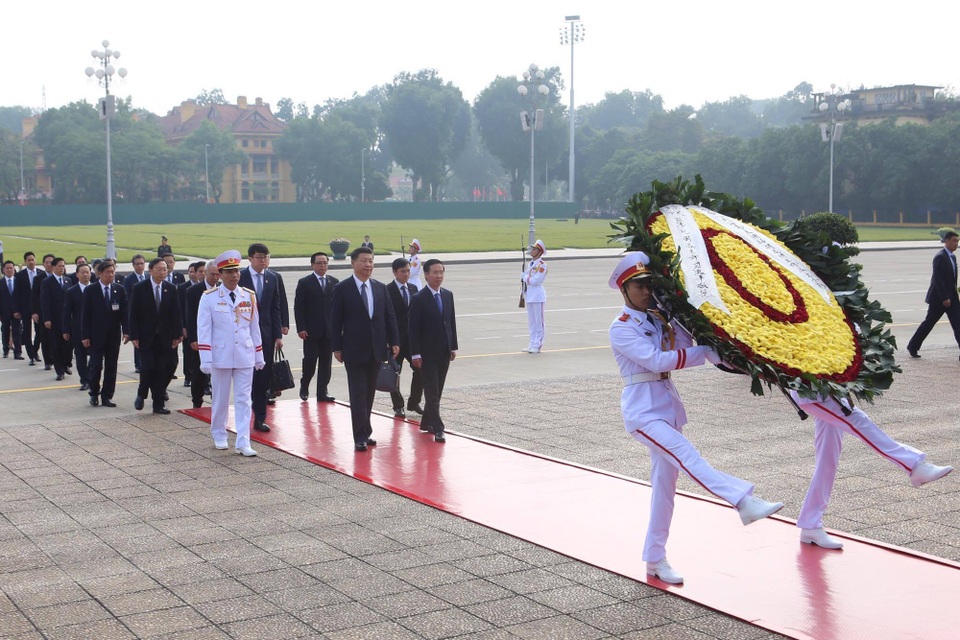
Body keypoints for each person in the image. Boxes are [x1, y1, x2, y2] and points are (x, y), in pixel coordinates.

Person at [608, 252, 784, 585]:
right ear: (624, 289)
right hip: (643, 413)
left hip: (666, 407)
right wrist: (704, 353)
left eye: (650, 284)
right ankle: (743, 501)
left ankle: (655, 559)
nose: (646, 291)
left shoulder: (660, 318)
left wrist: (680, 317)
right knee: (688, 456)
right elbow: (657, 361)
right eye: (639, 286)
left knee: (664, 489)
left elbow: (686, 344)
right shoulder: (621, 328)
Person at [790, 392, 953, 549]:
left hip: (825, 388)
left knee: (827, 459)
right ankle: (913, 465)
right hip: (812, 392)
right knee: (857, 421)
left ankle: (810, 523)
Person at [329, 247, 400, 452]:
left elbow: (389, 316)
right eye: (363, 261)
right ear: (353, 263)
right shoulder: (342, 288)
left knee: (369, 394)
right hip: (353, 350)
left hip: (377, 349)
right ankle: (359, 435)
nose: (368, 265)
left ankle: (366, 431)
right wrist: (336, 347)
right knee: (358, 393)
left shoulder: (380, 287)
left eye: (370, 261)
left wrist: (394, 340)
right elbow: (335, 321)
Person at [197, 250, 264, 457]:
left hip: (244, 353)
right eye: (229, 272)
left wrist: (259, 354)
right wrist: (206, 358)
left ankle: (243, 441)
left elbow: (254, 328)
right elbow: (204, 329)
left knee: (244, 399)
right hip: (221, 355)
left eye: (236, 271)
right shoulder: (209, 298)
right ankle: (219, 433)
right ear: (221, 274)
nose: (234, 275)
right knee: (220, 398)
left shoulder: (248, 295)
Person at [409, 259, 458, 443]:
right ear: (426, 275)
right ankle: (438, 428)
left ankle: (426, 423)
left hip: (443, 352)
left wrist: (453, 346)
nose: (439, 276)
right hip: (426, 354)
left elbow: (451, 322)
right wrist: (415, 353)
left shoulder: (447, 295)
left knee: (438, 390)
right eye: (435, 273)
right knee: (431, 392)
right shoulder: (419, 299)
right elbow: (413, 329)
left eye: (441, 272)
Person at [128, 257, 182, 414]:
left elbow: (175, 313)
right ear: (150, 270)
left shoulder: (170, 288)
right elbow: (133, 314)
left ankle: (158, 404)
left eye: (165, 269)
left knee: (163, 369)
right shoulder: (139, 288)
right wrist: (134, 335)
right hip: (146, 336)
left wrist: (177, 334)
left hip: (165, 337)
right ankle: (142, 393)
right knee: (148, 367)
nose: (163, 272)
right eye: (159, 269)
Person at [239, 243, 283, 431]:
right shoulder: (240, 277)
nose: (263, 260)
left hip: (265, 336)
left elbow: (275, 307)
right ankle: (243, 414)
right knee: (244, 377)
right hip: (243, 335)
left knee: (262, 377)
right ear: (250, 259)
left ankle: (260, 417)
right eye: (259, 257)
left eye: (266, 257)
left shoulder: (272, 278)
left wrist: (277, 335)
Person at [906, 230, 960, 359]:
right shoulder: (940, 257)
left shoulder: (952, 257)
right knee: (929, 323)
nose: (956, 244)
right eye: (954, 241)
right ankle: (913, 346)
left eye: (957, 241)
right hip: (939, 299)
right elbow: (938, 279)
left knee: (958, 324)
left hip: (952, 298)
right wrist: (944, 297)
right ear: (946, 241)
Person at [82, 259, 127, 408]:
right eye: (108, 272)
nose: (111, 275)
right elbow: (85, 315)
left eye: (113, 272)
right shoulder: (91, 290)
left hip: (113, 336)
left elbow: (124, 313)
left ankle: (107, 396)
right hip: (96, 336)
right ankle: (94, 393)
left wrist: (127, 331)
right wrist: (85, 336)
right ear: (99, 273)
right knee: (95, 366)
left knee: (111, 367)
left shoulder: (119, 290)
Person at [294, 252, 339, 402]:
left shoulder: (334, 282)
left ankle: (322, 391)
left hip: (329, 331)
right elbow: (298, 308)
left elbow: (338, 308)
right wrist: (301, 327)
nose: (322, 266)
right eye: (319, 263)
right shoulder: (304, 282)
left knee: (326, 364)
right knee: (311, 360)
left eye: (325, 263)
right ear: (312, 265)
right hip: (311, 331)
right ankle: (304, 385)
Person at [385, 257, 423, 417]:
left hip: (413, 340)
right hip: (396, 341)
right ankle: (397, 405)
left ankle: (414, 402)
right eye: (403, 271)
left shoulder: (414, 288)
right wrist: (389, 341)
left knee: (420, 370)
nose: (406, 274)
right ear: (395, 272)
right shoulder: (387, 290)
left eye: (408, 271)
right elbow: (386, 316)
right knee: (394, 373)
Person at [186, 260, 221, 408]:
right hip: (201, 338)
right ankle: (197, 401)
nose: (215, 277)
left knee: (219, 371)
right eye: (212, 274)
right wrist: (194, 338)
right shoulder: (194, 291)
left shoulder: (222, 290)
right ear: (205, 273)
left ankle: (217, 399)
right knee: (199, 372)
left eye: (218, 274)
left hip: (219, 338)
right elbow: (190, 317)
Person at [39, 257, 72, 380]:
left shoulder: (68, 281)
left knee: (68, 345)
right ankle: (60, 370)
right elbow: (44, 302)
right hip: (54, 319)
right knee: (56, 345)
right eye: (59, 266)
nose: (62, 268)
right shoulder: (47, 282)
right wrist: (47, 318)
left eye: (63, 266)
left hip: (67, 319)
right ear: (53, 267)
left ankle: (66, 363)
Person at [63, 263, 93, 391]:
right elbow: (66, 312)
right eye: (82, 272)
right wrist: (66, 329)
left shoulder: (96, 289)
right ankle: (85, 380)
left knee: (95, 356)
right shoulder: (71, 292)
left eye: (87, 272)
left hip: (94, 329)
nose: (85, 275)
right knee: (80, 356)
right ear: (77, 274)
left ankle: (92, 377)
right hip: (78, 329)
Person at [14, 252, 42, 365]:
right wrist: (16, 309)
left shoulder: (41, 274)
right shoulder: (20, 275)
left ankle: (35, 351)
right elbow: (16, 294)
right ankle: (31, 355)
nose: (31, 262)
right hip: (25, 307)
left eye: (32, 259)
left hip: (37, 307)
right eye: (28, 260)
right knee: (27, 331)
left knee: (39, 331)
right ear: (25, 261)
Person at [123, 254, 148, 373]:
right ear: (133, 265)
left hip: (148, 314)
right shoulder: (128, 280)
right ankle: (138, 364)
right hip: (137, 314)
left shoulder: (148, 276)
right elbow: (128, 299)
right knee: (137, 340)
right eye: (137, 264)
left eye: (142, 263)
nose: (140, 266)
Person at [522, 239, 548, 354]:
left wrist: (525, 277)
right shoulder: (531, 264)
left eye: (534, 249)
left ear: (539, 251)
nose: (531, 251)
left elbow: (536, 280)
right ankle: (532, 343)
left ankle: (537, 345)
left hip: (537, 295)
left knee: (539, 322)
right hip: (529, 294)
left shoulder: (542, 265)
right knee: (531, 322)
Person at [33, 253, 54, 370]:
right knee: (45, 338)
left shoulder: (62, 278)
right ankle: (48, 361)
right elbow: (34, 296)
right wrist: (34, 312)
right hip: (42, 313)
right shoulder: (38, 279)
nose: (49, 264)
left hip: (57, 313)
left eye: (51, 262)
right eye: (47, 262)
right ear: (43, 264)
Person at [0, 260, 23, 360]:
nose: (9, 270)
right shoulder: (0, 283)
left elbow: (21, 298)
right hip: (4, 312)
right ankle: (6, 350)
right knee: (5, 331)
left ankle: (17, 352)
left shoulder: (19, 282)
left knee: (17, 331)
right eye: (7, 268)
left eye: (11, 268)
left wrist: (20, 311)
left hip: (16, 312)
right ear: (3, 270)